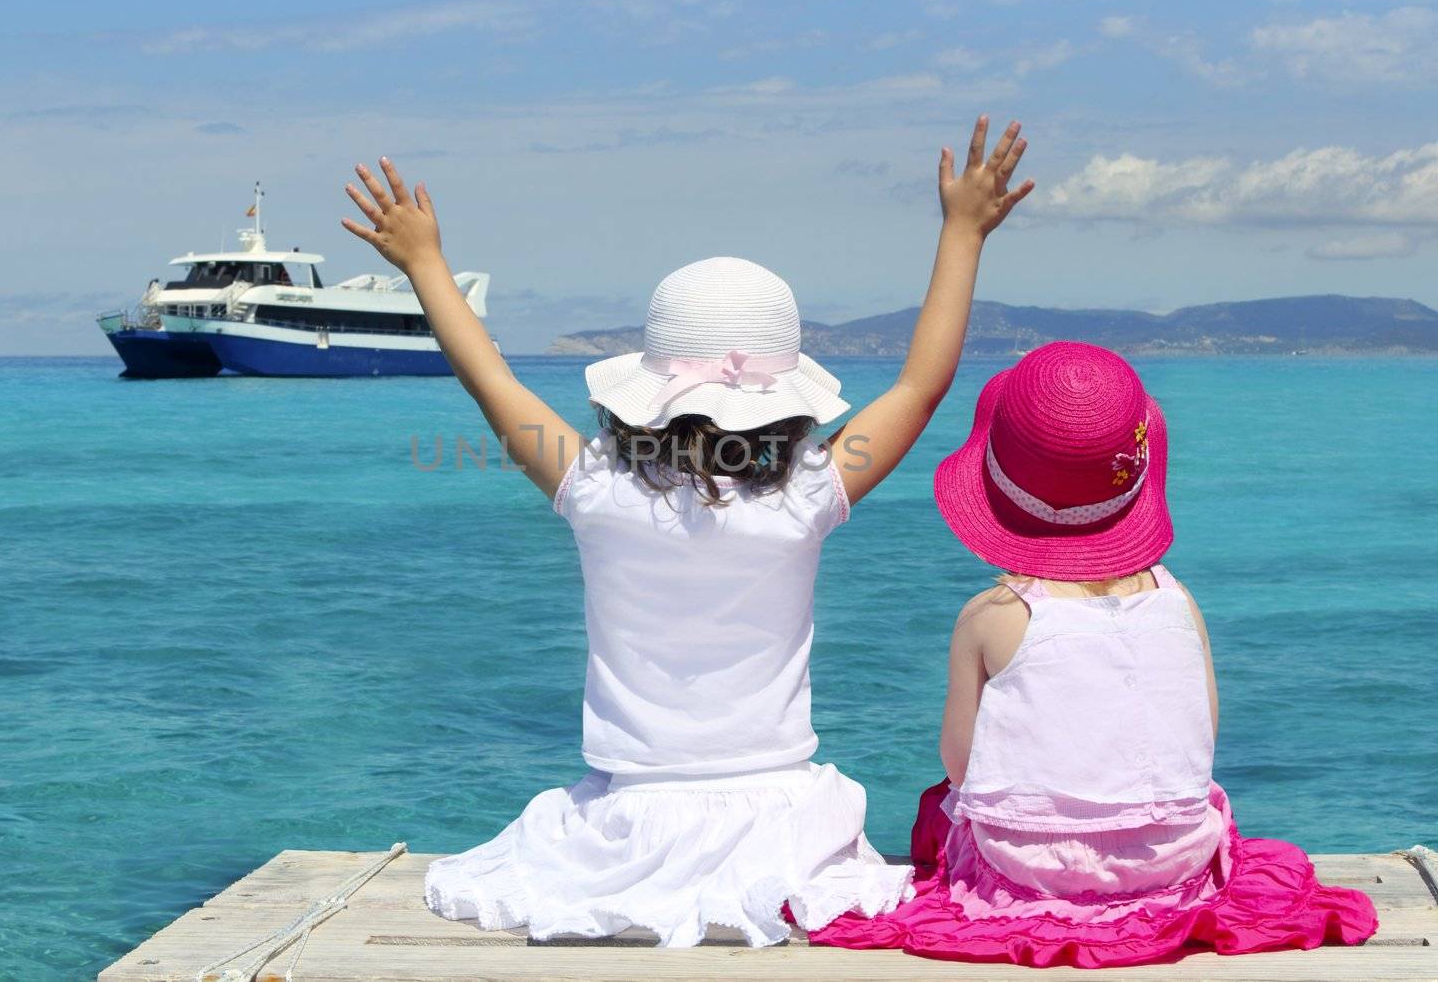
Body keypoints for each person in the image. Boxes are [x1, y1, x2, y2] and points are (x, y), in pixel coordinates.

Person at [339, 115, 1032, 947]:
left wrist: (424, 261)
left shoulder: (593, 483)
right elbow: (922, 384)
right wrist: (963, 231)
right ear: (786, 395)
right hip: (782, 822)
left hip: (624, 822)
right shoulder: (806, 491)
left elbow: (488, 375)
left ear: (649, 382)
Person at [811, 341, 1379, 966]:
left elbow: (961, 764)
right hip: (1174, 861)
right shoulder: (1179, 601)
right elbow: (1202, 736)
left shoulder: (993, 616)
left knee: (947, 806)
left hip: (1029, 874)